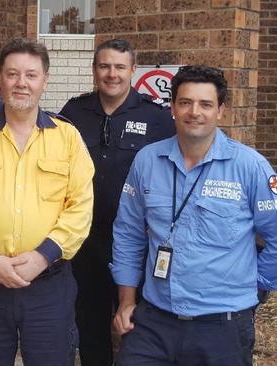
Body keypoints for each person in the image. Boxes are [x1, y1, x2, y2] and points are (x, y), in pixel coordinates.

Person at [112, 65, 277, 365]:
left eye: (205, 104)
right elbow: (128, 233)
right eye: (185, 102)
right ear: (172, 107)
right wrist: (126, 302)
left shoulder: (250, 167)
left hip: (222, 327)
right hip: (154, 321)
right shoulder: (147, 161)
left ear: (220, 111)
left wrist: (255, 285)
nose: (194, 112)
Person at [0, 38, 94, 366]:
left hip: (48, 286)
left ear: (45, 80)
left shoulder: (68, 137)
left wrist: (44, 256)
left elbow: (80, 205)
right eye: (12, 74)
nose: (21, 83)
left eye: (31, 75)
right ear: (0, 78)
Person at [59, 39, 175, 366]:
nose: (112, 74)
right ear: (94, 70)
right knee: (89, 324)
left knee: (136, 326)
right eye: (104, 66)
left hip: (138, 242)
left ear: (132, 70)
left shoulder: (157, 118)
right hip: (85, 241)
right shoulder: (74, 112)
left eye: (120, 67)